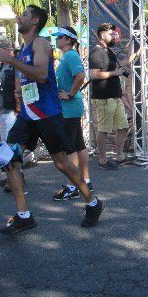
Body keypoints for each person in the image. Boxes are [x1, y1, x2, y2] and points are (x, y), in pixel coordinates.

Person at [0, 5, 103, 233]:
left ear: (34, 21)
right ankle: (24, 215)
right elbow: (30, 78)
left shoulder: (40, 43)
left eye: (23, 15)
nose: (19, 18)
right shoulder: (23, 48)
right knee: (10, 158)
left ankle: (92, 202)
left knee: (61, 163)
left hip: (47, 113)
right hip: (28, 114)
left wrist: (11, 61)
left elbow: (41, 75)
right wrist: (20, 92)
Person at [51, 26, 93, 200]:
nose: (56, 40)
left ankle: (73, 186)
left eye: (59, 37)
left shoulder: (70, 55)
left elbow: (81, 75)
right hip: (71, 107)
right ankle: (85, 180)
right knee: (78, 145)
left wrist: (70, 94)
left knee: (70, 148)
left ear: (68, 39)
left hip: (69, 107)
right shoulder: (67, 56)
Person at [89, 22, 130, 169]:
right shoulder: (97, 51)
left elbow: (117, 67)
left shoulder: (108, 51)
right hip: (103, 98)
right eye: (112, 34)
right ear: (103, 35)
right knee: (104, 129)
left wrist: (133, 57)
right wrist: (114, 73)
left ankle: (120, 156)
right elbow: (94, 75)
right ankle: (103, 160)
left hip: (115, 96)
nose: (114, 36)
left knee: (123, 126)